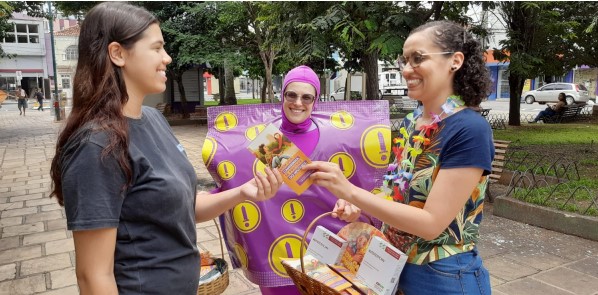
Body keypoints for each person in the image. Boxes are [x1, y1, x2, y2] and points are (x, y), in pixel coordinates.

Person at [48, 3, 282, 295]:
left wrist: (242, 192)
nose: (167, 58)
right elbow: (93, 276)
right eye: (157, 48)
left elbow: (179, 206)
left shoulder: (154, 119)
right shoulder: (97, 146)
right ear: (118, 53)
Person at [305, 20, 494, 295]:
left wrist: (351, 190)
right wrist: (360, 207)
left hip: (444, 277)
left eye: (418, 59)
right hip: (392, 266)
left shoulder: (469, 129)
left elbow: (431, 225)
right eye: (404, 60)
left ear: (455, 61)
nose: (406, 70)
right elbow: (399, 192)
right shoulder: (411, 122)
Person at [207, 65, 383, 295]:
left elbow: (361, 186)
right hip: (275, 254)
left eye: (306, 97)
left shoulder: (338, 141)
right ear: (283, 95)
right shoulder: (267, 139)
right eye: (291, 94)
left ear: (315, 100)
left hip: (325, 254)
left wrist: (354, 207)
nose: (298, 102)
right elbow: (234, 181)